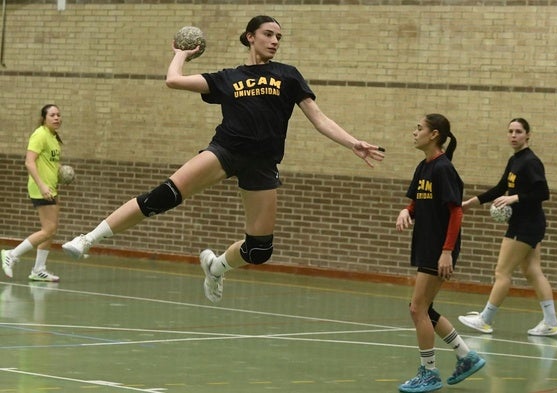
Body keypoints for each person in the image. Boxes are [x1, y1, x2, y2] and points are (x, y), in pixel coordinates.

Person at [60, 15, 385, 303]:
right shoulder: (228, 78)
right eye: (269, 34)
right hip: (225, 151)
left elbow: (319, 118)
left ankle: (216, 267)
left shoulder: (288, 75)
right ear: (250, 37)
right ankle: (88, 238)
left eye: (278, 37)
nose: (274, 41)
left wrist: (352, 143)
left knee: (259, 250)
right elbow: (173, 80)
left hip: (262, 163)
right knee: (163, 196)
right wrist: (180, 55)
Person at [396, 114, 485, 393]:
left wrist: (447, 251)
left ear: (434, 134)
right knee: (426, 309)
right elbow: (417, 202)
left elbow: (456, 211)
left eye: (419, 128)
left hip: (438, 249)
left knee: (417, 308)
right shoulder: (424, 167)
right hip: (426, 245)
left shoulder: (443, 169)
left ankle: (430, 372)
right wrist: (406, 211)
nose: (414, 132)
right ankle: (466, 356)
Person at [458, 118, 557, 336]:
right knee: (532, 271)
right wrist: (472, 202)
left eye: (518, 131)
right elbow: (500, 188)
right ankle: (551, 322)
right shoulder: (515, 160)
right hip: (528, 224)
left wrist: (515, 198)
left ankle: (485, 319)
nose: (513, 135)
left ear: (527, 135)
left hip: (526, 225)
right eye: (510, 131)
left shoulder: (531, 161)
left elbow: (543, 193)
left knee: (502, 272)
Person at [1, 104, 65, 282]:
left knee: (51, 230)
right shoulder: (40, 134)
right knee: (48, 229)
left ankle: (38, 269)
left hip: (51, 187)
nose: (56, 118)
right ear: (44, 118)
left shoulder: (53, 137)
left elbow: (49, 163)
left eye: (59, 115)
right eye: (52, 115)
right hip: (41, 188)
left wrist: (61, 171)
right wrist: (43, 185)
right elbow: (29, 162)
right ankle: (11, 254)